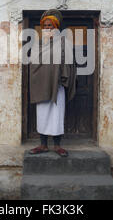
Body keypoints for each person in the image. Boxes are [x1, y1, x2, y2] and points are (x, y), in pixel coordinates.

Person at [28, 9, 77, 157]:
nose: (48, 28)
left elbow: (70, 63)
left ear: (56, 27)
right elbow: (33, 63)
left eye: (51, 25)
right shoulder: (38, 44)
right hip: (42, 85)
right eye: (45, 25)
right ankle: (43, 145)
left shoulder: (64, 43)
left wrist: (63, 75)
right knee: (42, 114)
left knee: (57, 114)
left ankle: (57, 145)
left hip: (58, 85)